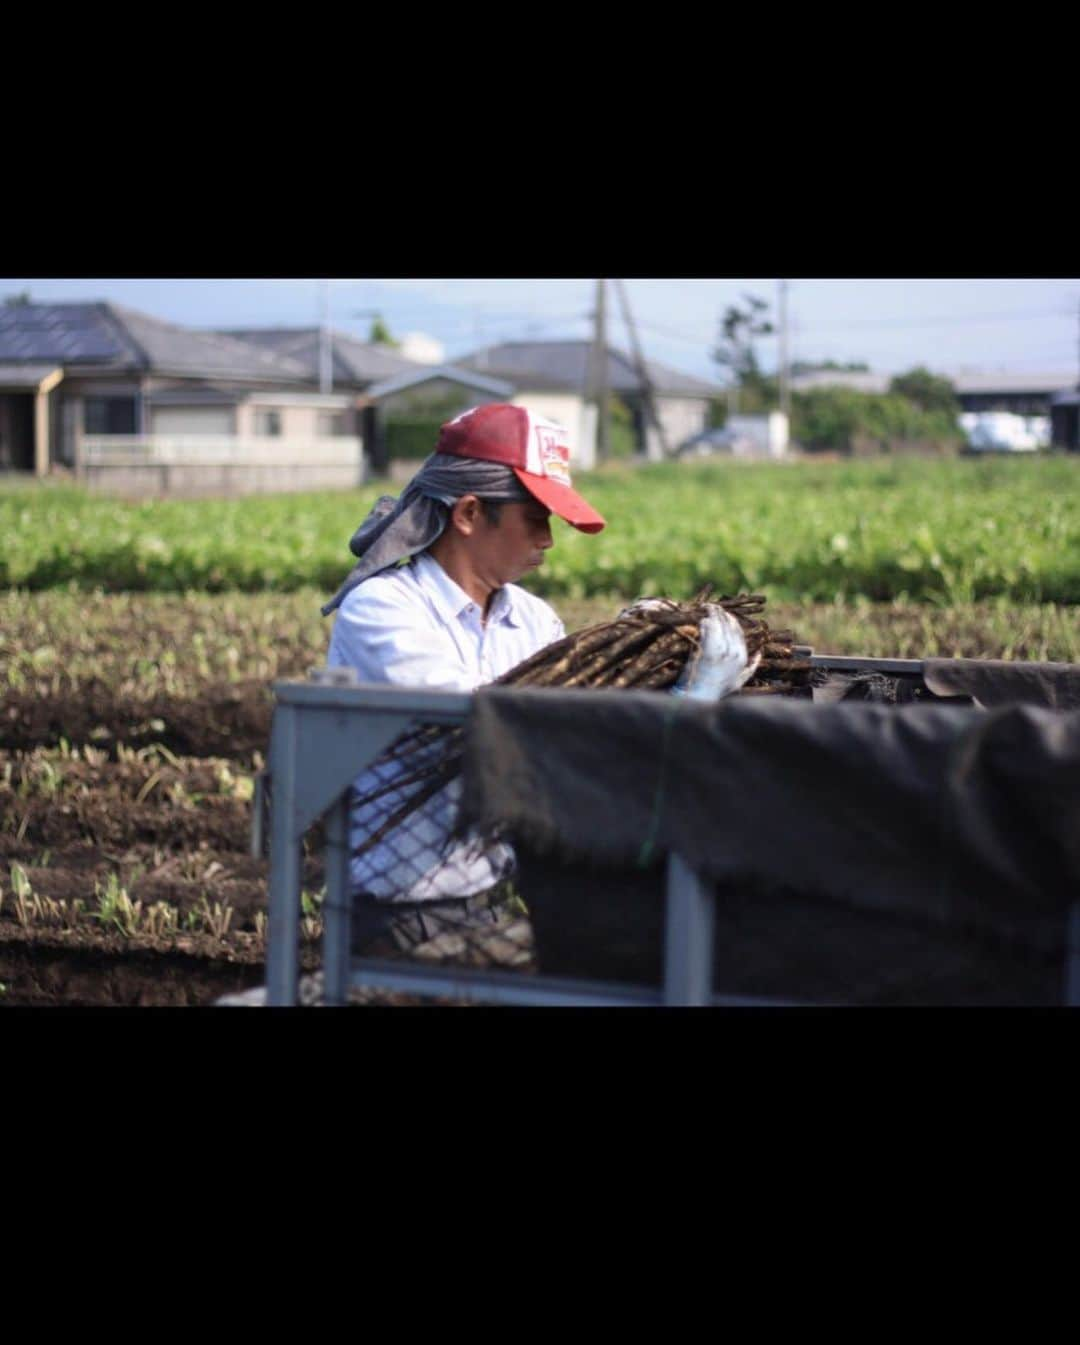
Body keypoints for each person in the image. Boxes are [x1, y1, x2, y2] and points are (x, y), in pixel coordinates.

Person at [322, 402, 606, 955]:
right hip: (395, 911)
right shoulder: (382, 609)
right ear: (470, 513)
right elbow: (475, 723)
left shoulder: (533, 620)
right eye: (536, 517)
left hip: (492, 897)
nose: (546, 540)